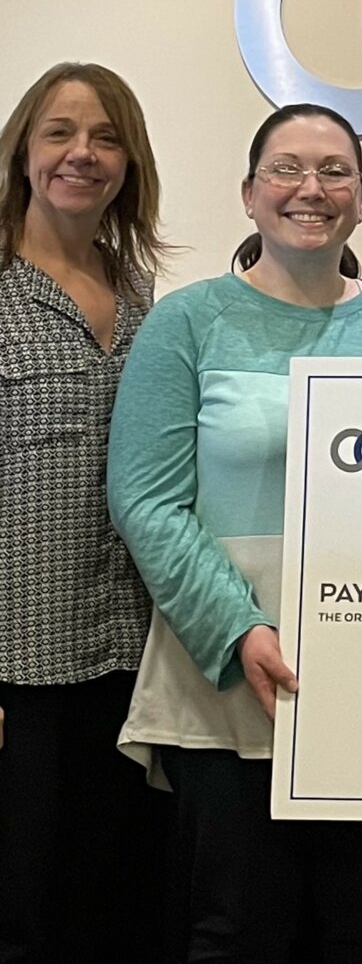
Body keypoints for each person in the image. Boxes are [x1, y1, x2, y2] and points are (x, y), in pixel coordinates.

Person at [108, 102, 362, 964]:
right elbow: (146, 500)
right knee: (238, 931)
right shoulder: (184, 323)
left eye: (335, 170)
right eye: (287, 169)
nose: (312, 188)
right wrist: (240, 629)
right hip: (226, 677)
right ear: (250, 195)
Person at [0, 63, 170, 964]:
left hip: (131, 656)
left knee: (113, 902)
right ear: (24, 151)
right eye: (60, 131)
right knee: (21, 908)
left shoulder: (143, 297)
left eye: (105, 136)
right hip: (19, 664)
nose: (82, 153)